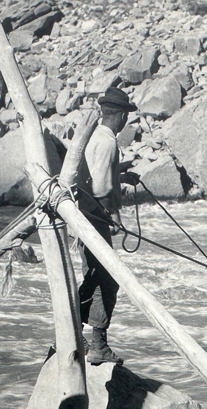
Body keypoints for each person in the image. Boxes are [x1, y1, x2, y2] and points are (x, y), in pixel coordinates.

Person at [76, 86, 139, 366]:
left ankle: (72, 333)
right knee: (107, 281)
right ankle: (97, 344)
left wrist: (122, 173)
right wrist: (116, 218)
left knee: (93, 277)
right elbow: (101, 188)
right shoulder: (108, 142)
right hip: (94, 221)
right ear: (122, 116)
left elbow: (97, 173)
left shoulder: (97, 137)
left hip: (84, 218)